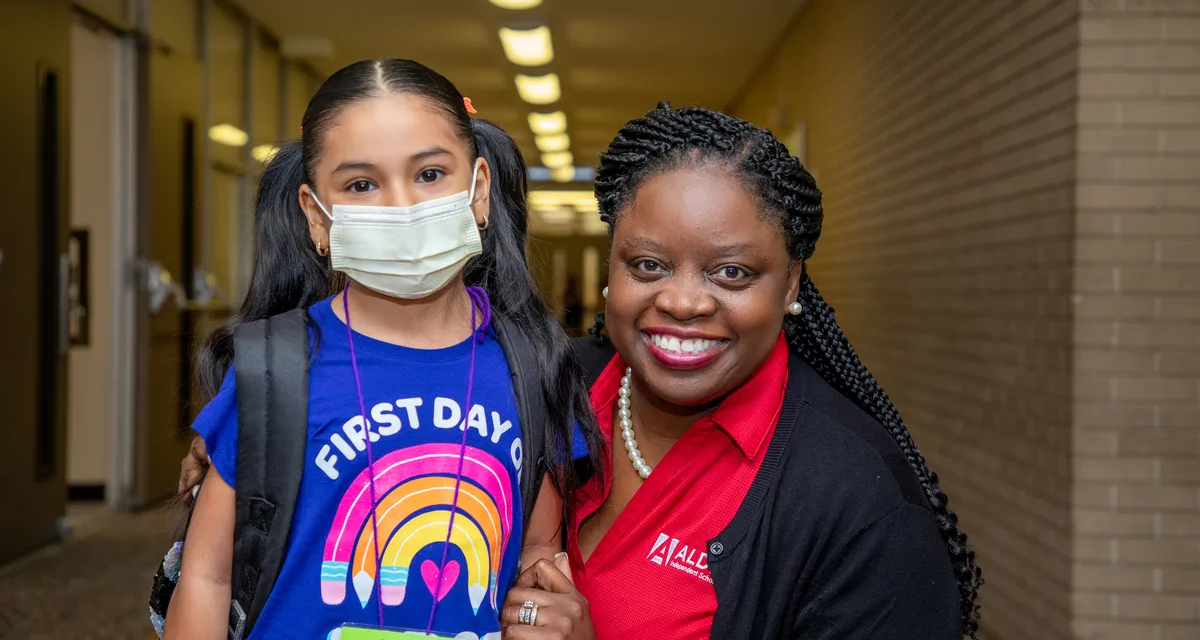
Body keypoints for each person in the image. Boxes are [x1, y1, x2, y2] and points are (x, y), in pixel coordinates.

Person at [498, 104, 982, 639]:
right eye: (648, 265)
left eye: (731, 272)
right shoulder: (545, 386)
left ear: (792, 283)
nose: (682, 301)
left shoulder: (861, 504)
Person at [164, 59, 600, 640]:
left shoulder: (531, 363)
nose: (402, 206)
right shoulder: (276, 370)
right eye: (361, 185)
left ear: (479, 191)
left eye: (429, 174)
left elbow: (539, 549)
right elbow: (209, 577)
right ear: (316, 217)